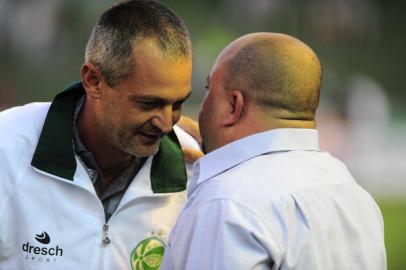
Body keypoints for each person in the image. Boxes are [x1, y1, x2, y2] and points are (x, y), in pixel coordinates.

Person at [0, 1, 200, 269]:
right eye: (148, 104)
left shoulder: (197, 170)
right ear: (93, 81)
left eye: (177, 104)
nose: (166, 124)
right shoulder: (7, 146)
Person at [161, 32, 386, 270]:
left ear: (233, 105)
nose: (202, 106)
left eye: (209, 90)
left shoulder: (227, 202)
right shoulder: (353, 192)